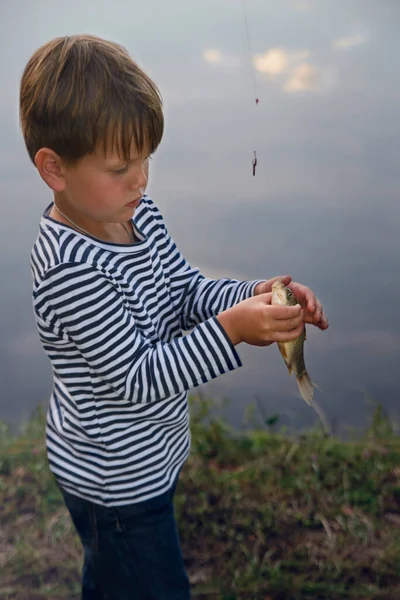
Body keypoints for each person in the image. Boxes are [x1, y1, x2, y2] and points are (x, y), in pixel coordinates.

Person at [20, 34, 328, 600]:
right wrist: (232, 331)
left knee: (115, 579)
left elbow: (182, 291)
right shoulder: (70, 268)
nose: (141, 179)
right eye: (120, 166)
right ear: (54, 169)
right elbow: (137, 377)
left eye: (146, 160)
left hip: (148, 457)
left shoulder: (138, 215)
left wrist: (256, 295)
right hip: (113, 481)